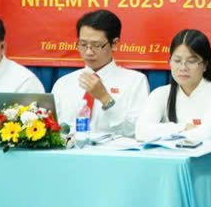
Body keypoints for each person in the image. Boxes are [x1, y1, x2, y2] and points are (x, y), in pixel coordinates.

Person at [136, 29, 211, 207]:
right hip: (170, 177)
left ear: (205, 64)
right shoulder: (160, 94)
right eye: (177, 60)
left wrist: (163, 132)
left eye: (192, 61)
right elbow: (141, 132)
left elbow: (205, 137)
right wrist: (182, 128)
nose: (183, 67)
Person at [51, 9, 149, 137]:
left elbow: (136, 131)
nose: (88, 52)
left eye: (96, 45)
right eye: (83, 44)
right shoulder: (64, 83)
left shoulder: (135, 81)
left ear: (114, 44)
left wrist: (105, 98)